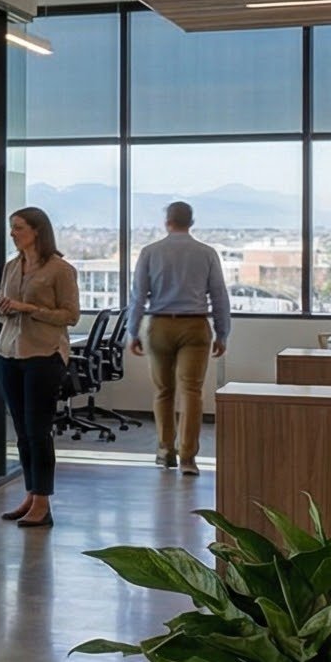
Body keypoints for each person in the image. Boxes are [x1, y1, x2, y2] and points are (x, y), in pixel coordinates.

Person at [124, 200, 230, 477]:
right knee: (192, 392)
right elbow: (219, 295)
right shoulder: (207, 253)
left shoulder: (150, 252)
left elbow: (138, 296)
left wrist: (132, 332)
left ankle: (165, 451)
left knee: (163, 391)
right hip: (195, 327)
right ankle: (188, 458)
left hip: (160, 325)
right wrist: (223, 333)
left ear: (167, 222)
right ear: (191, 222)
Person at [0, 206, 81, 530]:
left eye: (18, 228)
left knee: (38, 431)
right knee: (22, 433)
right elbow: (4, 314)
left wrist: (30, 309)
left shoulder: (60, 269)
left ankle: (43, 502)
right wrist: (3, 308)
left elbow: (70, 315)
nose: (13, 233)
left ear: (37, 232)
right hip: (10, 352)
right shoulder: (12, 266)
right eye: (11, 228)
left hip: (43, 354)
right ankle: (31, 494)